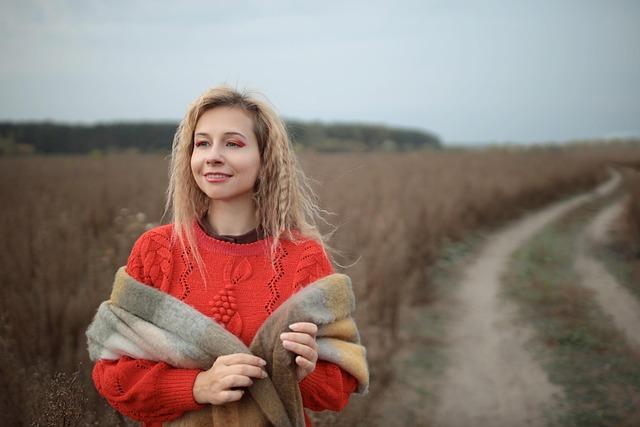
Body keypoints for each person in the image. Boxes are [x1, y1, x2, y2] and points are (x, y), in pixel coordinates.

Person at [90, 85, 360, 426]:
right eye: (202, 143)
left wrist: (306, 372)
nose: (213, 155)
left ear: (265, 160)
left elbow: (339, 388)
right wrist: (198, 386)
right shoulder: (157, 251)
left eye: (233, 143)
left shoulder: (303, 258)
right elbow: (112, 374)